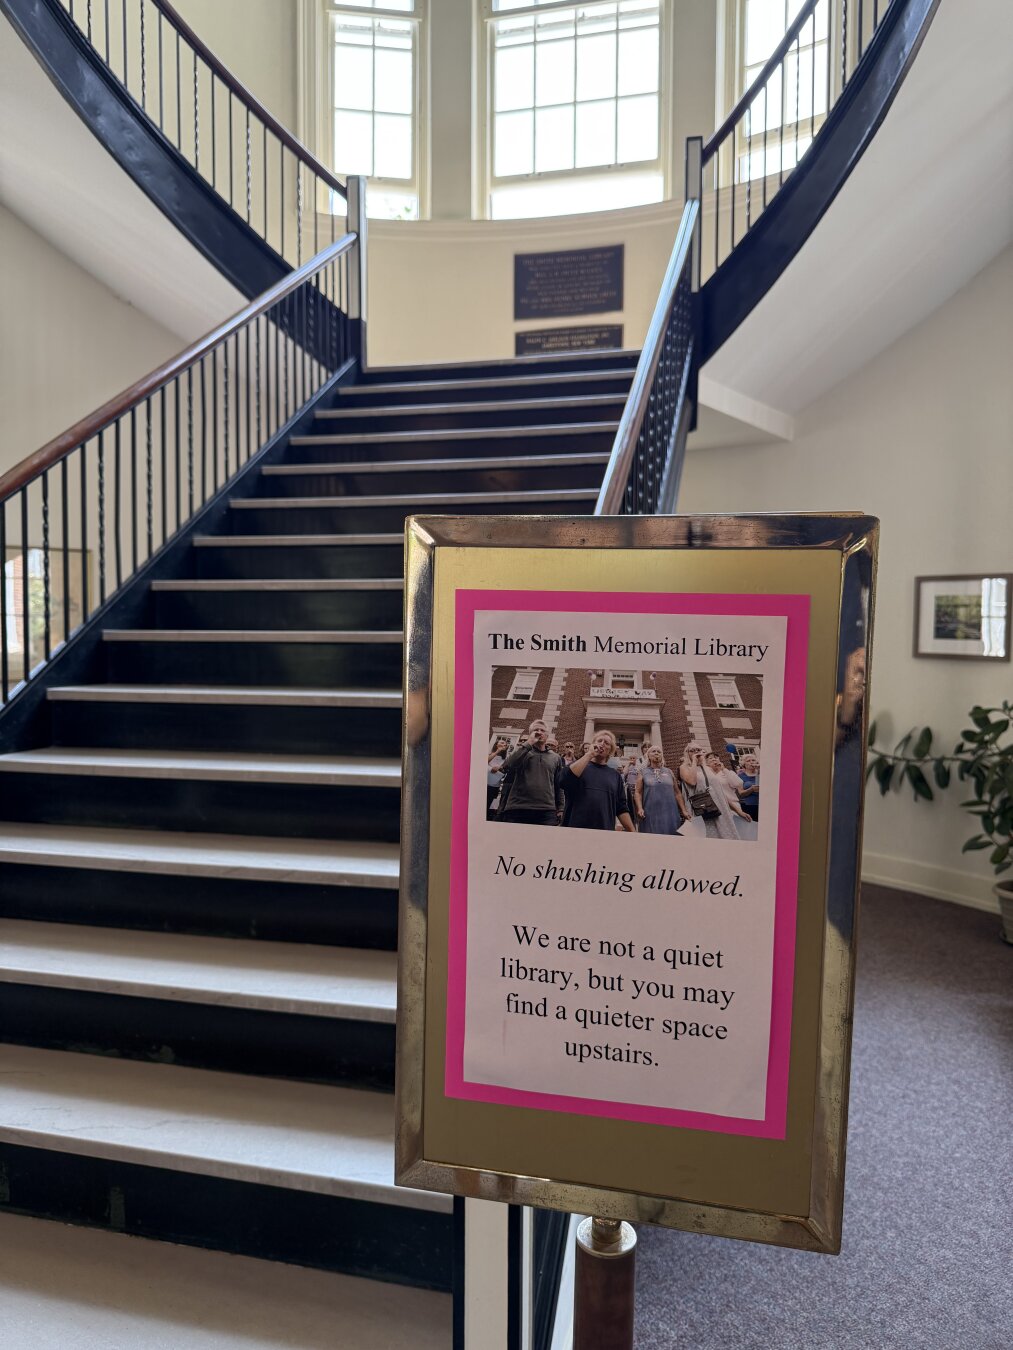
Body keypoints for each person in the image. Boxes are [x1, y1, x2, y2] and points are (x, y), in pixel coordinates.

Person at [560, 731, 635, 832]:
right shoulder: (577, 766)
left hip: (604, 831)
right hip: (574, 829)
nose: (602, 743)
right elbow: (563, 781)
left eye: (607, 743)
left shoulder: (615, 775)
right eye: (599, 740)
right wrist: (589, 754)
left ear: (610, 751)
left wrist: (632, 831)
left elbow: (621, 807)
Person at [497, 720, 563, 826]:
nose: (539, 732)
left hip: (546, 811)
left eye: (542, 730)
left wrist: (560, 808)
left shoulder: (555, 757)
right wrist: (529, 743)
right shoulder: (521, 751)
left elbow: (559, 785)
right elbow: (507, 766)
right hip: (518, 808)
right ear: (530, 734)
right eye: (535, 730)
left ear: (547, 735)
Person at [679, 743, 746, 840]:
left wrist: (738, 811)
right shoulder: (684, 767)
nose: (696, 752)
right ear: (687, 753)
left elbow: (720, 793)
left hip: (720, 808)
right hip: (703, 808)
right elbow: (692, 782)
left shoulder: (708, 768)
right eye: (692, 750)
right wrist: (694, 761)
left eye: (698, 750)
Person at [635, 746, 687, 835]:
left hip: (670, 812)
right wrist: (639, 808)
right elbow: (638, 792)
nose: (656, 753)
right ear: (648, 756)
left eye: (659, 751)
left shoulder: (669, 771)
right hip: (650, 812)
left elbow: (677, 793)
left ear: (662, 755)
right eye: (653, 751)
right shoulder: (643, 772)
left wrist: (684, 810)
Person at [487, 737, 510, 818]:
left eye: (505, 744)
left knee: (491, 806)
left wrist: (500, 768)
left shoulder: (506, 759)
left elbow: (506, 769)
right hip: (485, 784)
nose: (503, 744)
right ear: (496, 745)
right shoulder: (490, 754)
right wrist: (497, 751)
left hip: (495, 786)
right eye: (501, 742)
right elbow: (485, 761)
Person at [736, 753, 760, 822]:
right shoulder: (740, 776)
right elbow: (740, 793)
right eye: (748, 761)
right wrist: (751, 789)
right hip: (750, 806)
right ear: (744, 764)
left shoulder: (762, 772)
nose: (751, 762)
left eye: (753, 760)